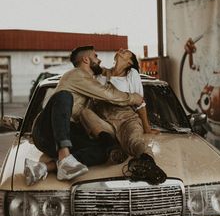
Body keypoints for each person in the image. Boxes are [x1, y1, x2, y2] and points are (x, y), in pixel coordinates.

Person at [24, 46, 143, 186]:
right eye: (96, 56)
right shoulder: (75, 75)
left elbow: (104, 90)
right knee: (64, 96)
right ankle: (64, 157)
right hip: (45, 130)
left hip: (66, 133)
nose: (99, 61)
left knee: (102, 150)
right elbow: (107, 93)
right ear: (86, 59)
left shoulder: (91, 81)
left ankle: (43, 167)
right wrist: (134, 98)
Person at [79, 48, 167, 185]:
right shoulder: (100, 75)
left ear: (129, 62)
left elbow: (140, 104)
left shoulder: (132, 74)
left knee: (135, 141)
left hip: (127, 120)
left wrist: (147, 128)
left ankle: (149, 164)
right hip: (105, 124)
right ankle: (112, 146)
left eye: (126, 51)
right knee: (84, 112)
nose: (121, 50)